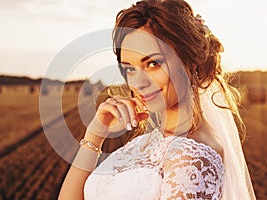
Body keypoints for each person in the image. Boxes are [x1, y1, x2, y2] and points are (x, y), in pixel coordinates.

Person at [58, 0, 256, 199]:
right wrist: (95, 133)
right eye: (129, 69)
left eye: (153, 63)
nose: (139, 82)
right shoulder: (148, 142)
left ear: (190, 62)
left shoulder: (191, 156)